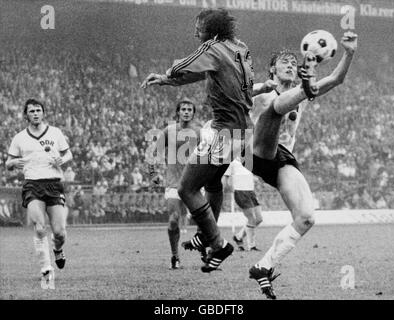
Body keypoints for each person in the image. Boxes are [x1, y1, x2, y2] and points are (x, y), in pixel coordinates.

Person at [141, 8, 256, 272]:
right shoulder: (240, 48)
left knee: (187, 189)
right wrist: (167, 82)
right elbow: (204, 72)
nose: (195, 31)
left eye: (199, 26)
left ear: (211, 28)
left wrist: (168, 72)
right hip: (242, 130)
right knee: (213, 183)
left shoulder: (212, 47)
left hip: (223, 131)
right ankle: (208, 235)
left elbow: (185, 65)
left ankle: (217, 243)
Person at [247, 32, 358, 299]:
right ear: (272, 68)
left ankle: (264, 266)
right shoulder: (259, 91)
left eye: (292, 63)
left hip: (282, 158)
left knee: (307, 217)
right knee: (276, 106)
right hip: (255, 151)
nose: (289, 65)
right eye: (283, 61)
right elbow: (238, 96)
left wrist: (349, 52)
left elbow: (337, 79)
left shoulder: (303, 92)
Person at [5, 99, 73, 287]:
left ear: (43, 113)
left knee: (59, 232)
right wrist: (13, 163)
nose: (35, 113)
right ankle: (46, 269)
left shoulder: (55, 133)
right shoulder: (19, 138)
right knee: (40, 227)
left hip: (54, 184)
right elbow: (8, 163)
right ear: (25, 115)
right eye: (31, 111)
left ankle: (58, 249)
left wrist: (61, 159)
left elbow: (69, 154)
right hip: (32, 185)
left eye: (38, 110)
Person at [148, 99, 201, 269]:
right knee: (173, 221)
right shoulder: (168, 131)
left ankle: (206, 255)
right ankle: (175, 256)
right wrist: (153, 173)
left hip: (194, 185)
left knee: (205, 222)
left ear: (193, 113)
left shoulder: (199, 133)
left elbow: (208, 157)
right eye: (183, 109)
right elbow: (153, 152)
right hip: (173, 184)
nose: (186, 112)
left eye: (189, 109)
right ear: (178, 112)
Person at [223, 158, 263, 251]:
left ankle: (239, 236)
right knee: (252, 219)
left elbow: (250, 174)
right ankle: (252, 246)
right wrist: (231, 189)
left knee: (259, 219)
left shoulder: (249, 161)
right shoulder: (232, 162)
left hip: (251, 192)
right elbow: (225, 179)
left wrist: (256, 179)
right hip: (240, 192)